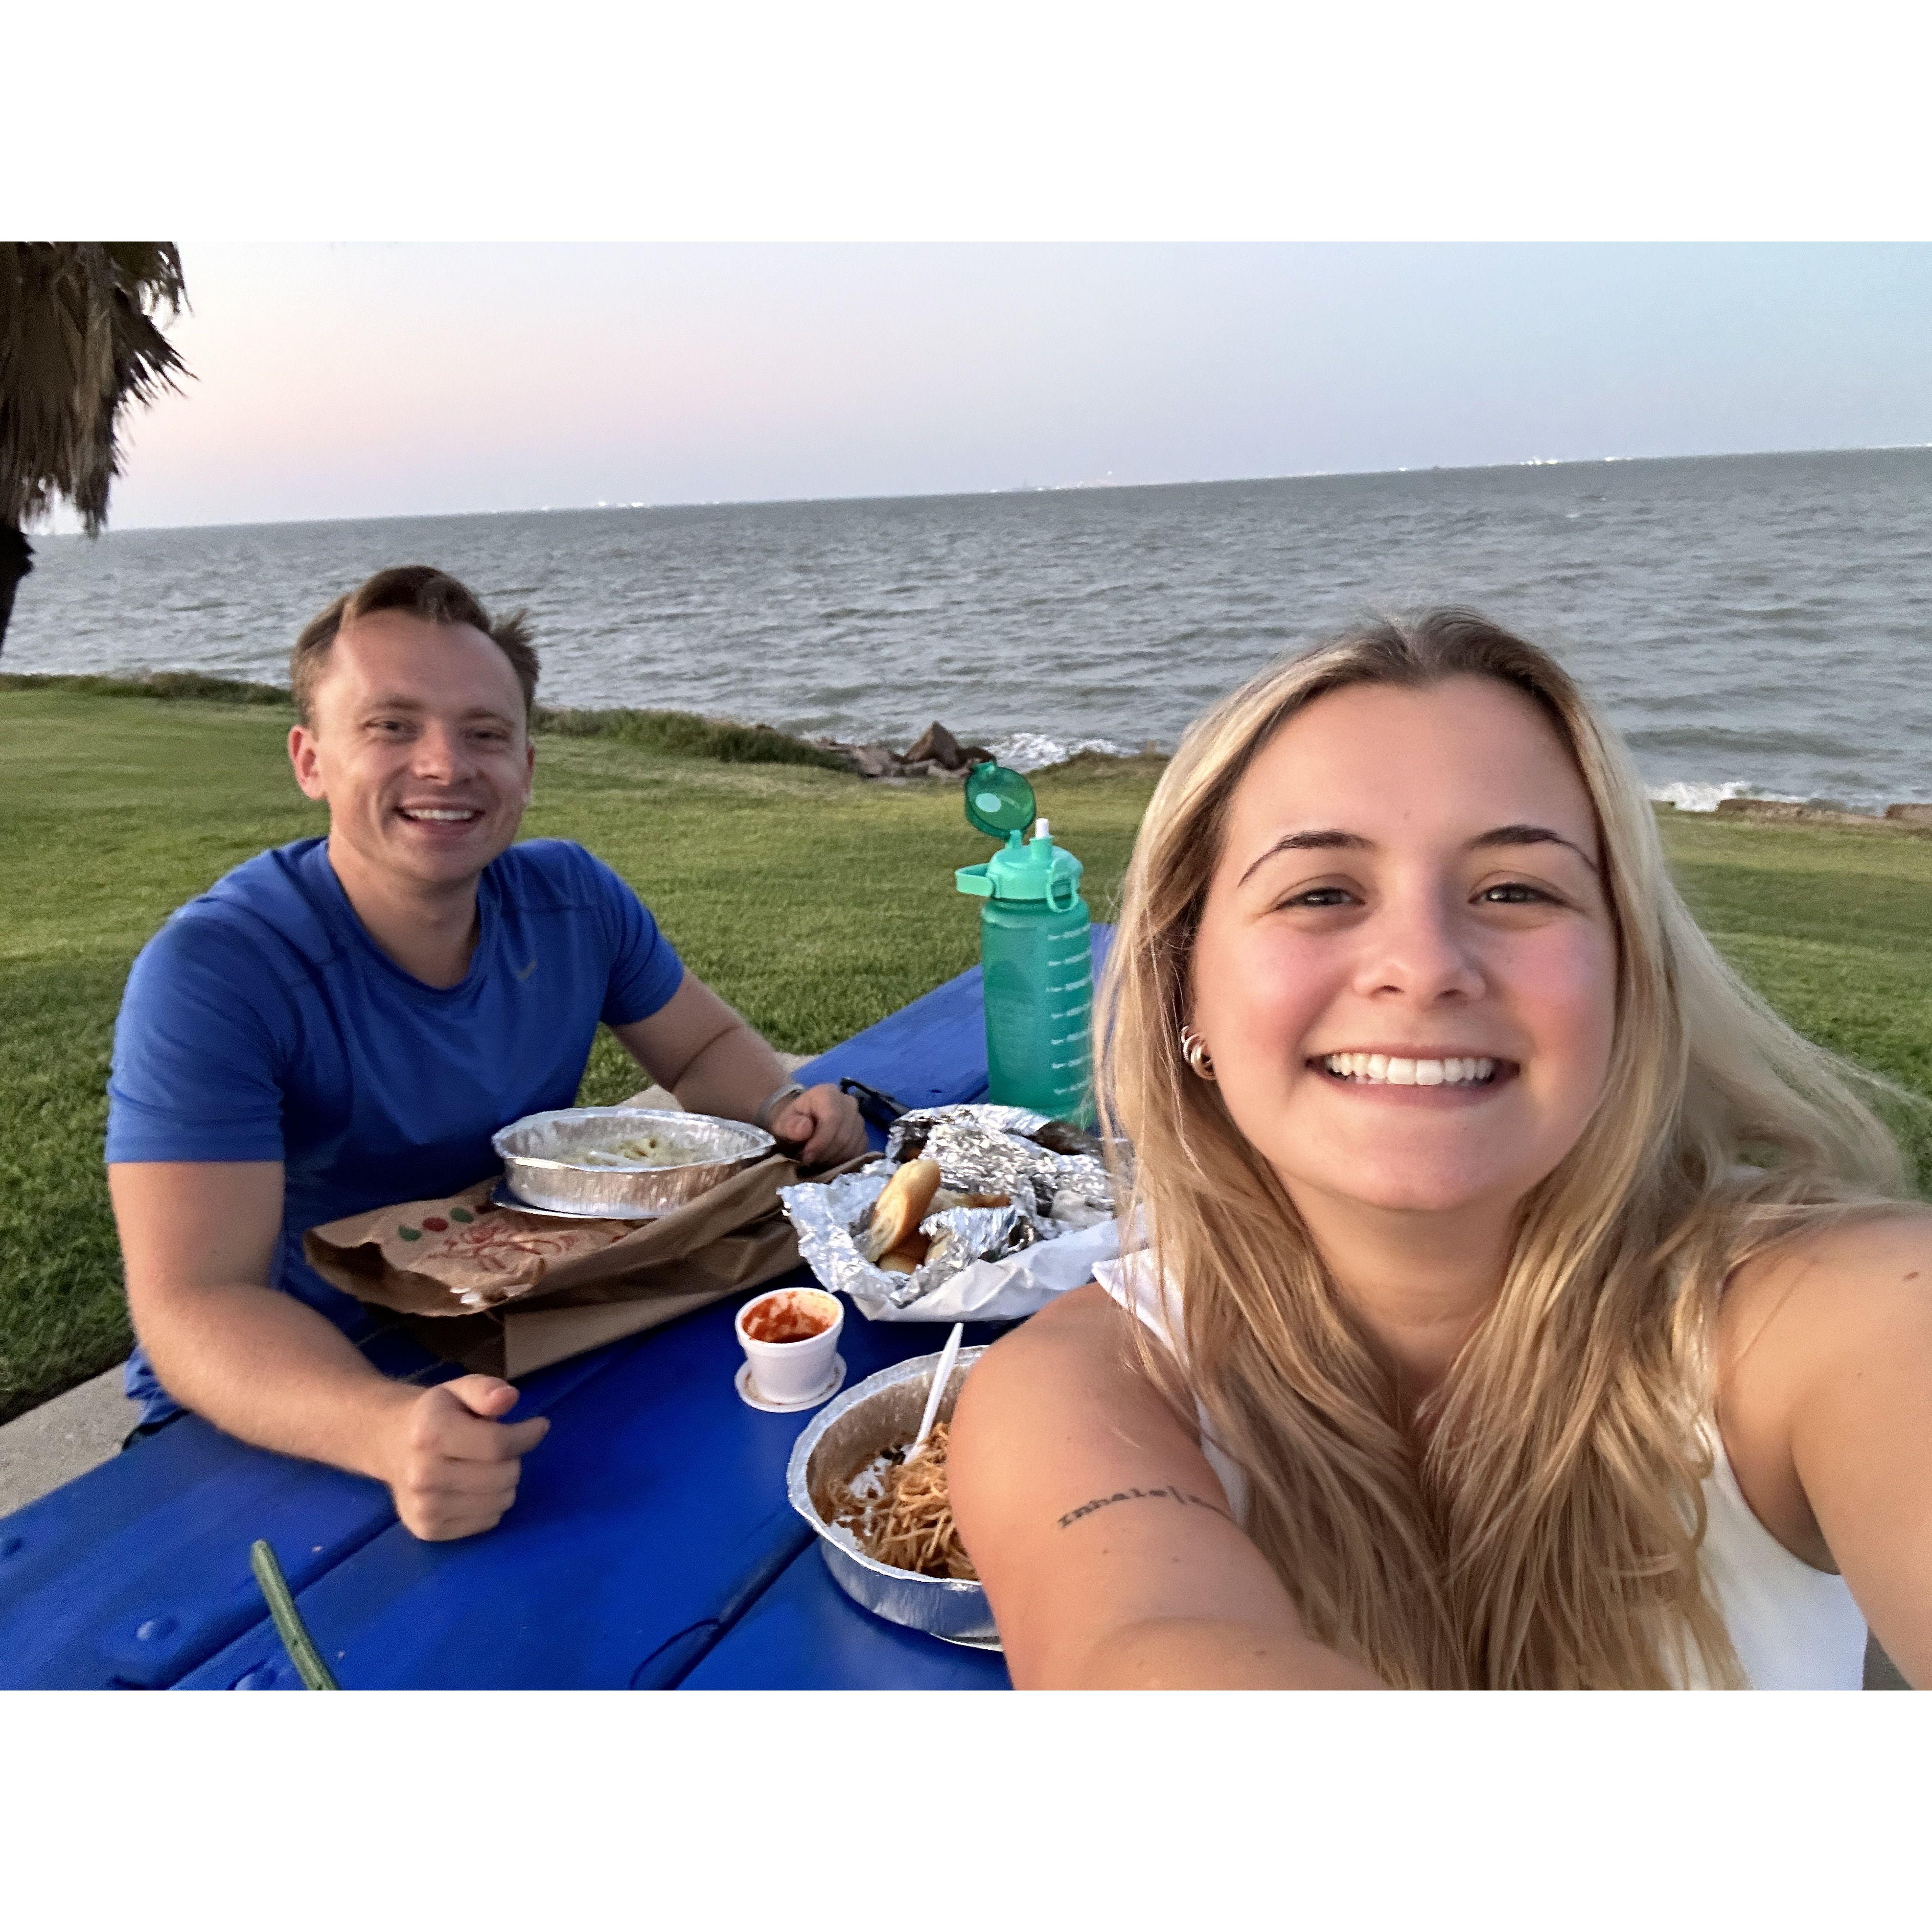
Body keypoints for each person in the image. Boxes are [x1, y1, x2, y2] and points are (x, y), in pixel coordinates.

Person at [950, 608, 1931, 1689]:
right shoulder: (1082, 1393)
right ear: (1186, 994)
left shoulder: (1842, 1313)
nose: (1423, 966)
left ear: (1628, 979)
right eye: (1321, 892)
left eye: (1517, 890)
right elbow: (1134, 1652)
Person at [106, 564, 867, 1541]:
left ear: (527, 769)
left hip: (517, 1338)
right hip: (282, 1412)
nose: (444, 765)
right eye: (391, 726)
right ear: (310, 759)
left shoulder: (573, 899)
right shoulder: (218, 972)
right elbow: (194, 1305)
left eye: (484, 734)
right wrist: (381, 1429)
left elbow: (706, 1043)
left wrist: (780, 1109)